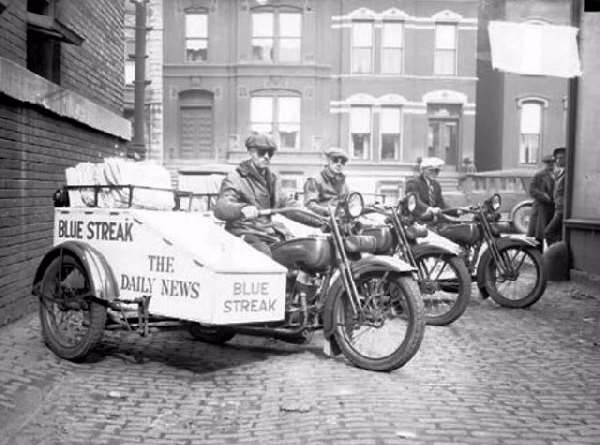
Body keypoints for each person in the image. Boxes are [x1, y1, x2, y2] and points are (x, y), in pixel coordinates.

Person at [214, 132, 303, 256]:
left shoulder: (272, 179)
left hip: (267, 232)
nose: (266, 157)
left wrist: (318, 217)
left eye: (270, 153)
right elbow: (221, 206)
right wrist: (242, 209)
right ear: (251, 152)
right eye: (261, 152)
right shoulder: (236, 178)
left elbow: (286, 203)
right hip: (244, 232)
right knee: (265, 257)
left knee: (301, 250)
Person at [303, 147, 350, 216]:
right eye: (335, 160)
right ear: (328, 161)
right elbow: (309, 205)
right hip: (321, 220)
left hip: (340, 220)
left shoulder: (343, 183)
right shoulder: (315, 180)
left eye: (342, 162)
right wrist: (327, 211)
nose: (339, 164)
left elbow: (348, 203)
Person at [527, 154, 555, 250]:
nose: (551, 165)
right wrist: (543, 195)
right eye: (549, 164)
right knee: (539, 235)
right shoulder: (539, 175)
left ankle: (551, 257)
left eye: (552, 163)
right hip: (541, 209)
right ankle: (539, 258)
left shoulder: (558, 174)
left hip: (554, 209)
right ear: (545, 164)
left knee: (552, 233)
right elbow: (531, 190)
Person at [544, 147, 566, 245]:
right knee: (560, 235)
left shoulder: (568, 174)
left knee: (548, 232)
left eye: (561, 158)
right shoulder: (560, 172)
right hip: (557, 208)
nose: (557, 160)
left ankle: (555, 257)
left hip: (562, 209)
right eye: (557, 158)